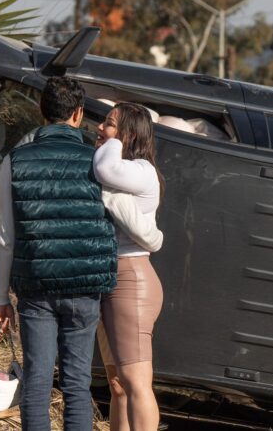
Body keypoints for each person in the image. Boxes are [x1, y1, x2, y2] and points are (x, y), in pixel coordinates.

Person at [0, 77, 158, 430]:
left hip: (36, 287)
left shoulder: (16, 160)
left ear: (41, 111)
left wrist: (0, 297)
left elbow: (5, 236)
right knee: (76, 383)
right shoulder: (96, 163)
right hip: (85, 288)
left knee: (36, 381)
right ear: (79, 114)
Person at [93, 102, 165, 431]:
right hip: (111, 277)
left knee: (136, 383)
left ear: (128, 135)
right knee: (118, 386)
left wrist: (113, 141)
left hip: (131, 279)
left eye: (108, 124)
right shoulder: (123, 166)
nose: (100, 129)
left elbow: (105, 171)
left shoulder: (141, 170)